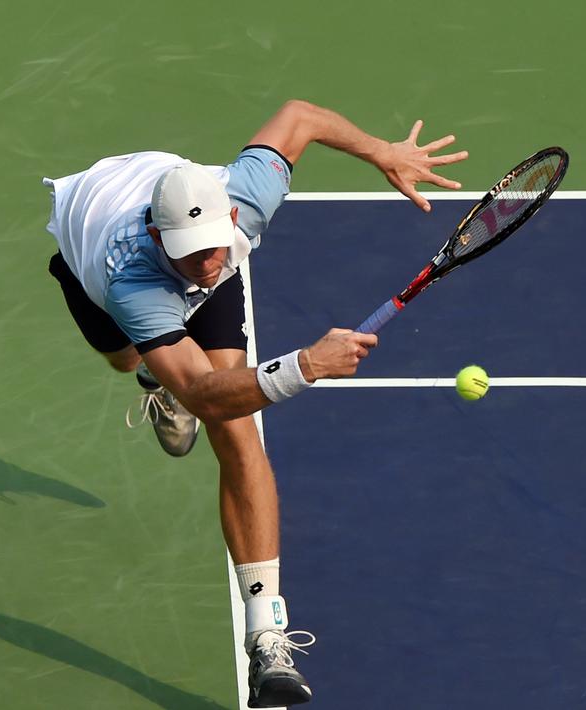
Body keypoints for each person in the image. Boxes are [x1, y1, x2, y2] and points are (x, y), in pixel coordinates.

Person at [42, 100, 467, 707]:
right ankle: (153, 375)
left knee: (238, 435)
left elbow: (300, 117)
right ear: (162, 237)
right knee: (131, 360)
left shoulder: (242, 203)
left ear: (234, 214)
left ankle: (266, 634)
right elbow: (202, 393)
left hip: (169, 218)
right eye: (192, 252)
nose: (210, 264)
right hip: (92, 237)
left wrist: (382, 151)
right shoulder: (130, 280)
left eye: (216, 246)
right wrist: (305, 366)